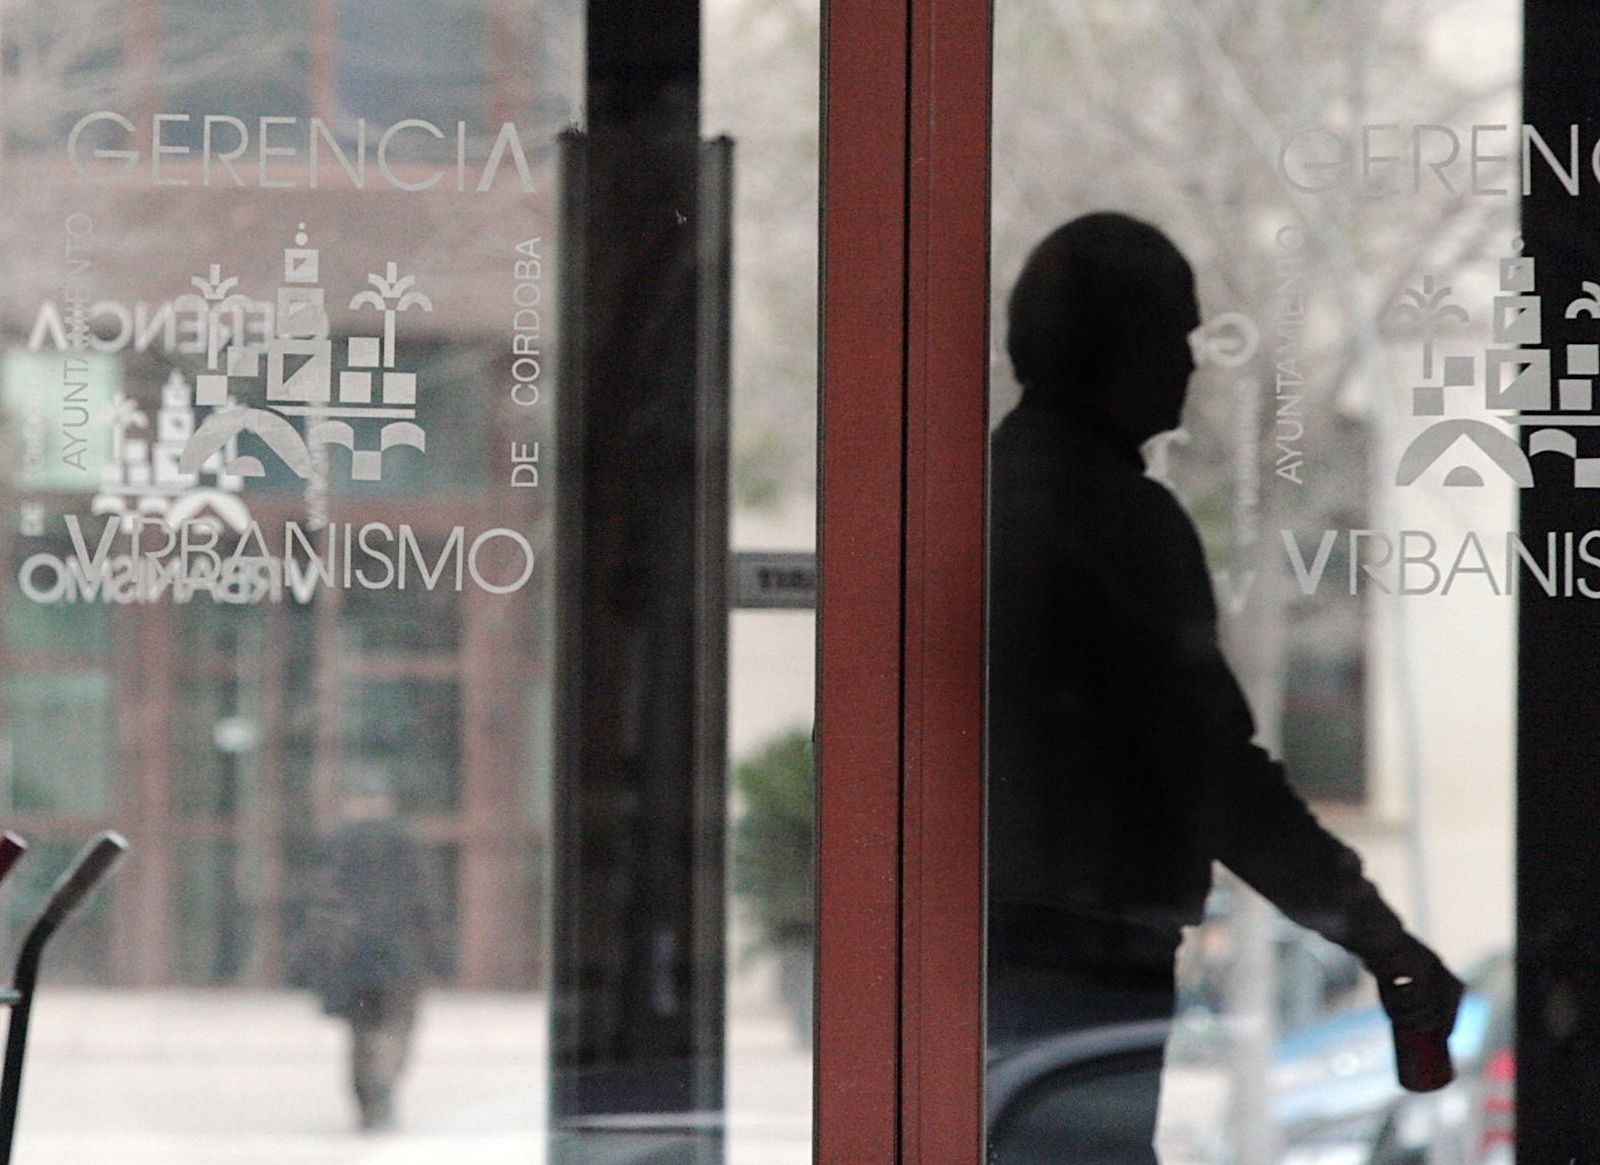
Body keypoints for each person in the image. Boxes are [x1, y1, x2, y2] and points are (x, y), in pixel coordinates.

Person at [985, 213, 1463, 1162]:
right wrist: (1381, 940)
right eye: (1178, 334)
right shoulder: (1113, 518)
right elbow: (1215, 775)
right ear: (1123, 343)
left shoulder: (987, 493)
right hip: (1085, 951)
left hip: (1017, 940)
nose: (1193, 363)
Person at [290, 769, 453, 1132]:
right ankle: (382, 1086)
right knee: (395, 1027)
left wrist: (305, 958)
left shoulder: (335, 844)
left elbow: (316, 904)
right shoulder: (405, 843)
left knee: (361, 1032)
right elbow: (426, 902)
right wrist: (441, 954)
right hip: (398, 956)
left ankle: (370, 1099)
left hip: (351, 957)